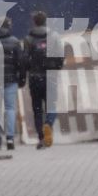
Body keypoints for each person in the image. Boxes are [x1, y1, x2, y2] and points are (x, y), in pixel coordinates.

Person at [0, 16, 25, 152]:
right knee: (10, 108)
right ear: (8, 26)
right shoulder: (15, 42)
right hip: (11, 80)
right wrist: (22, 79)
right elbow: (21, 62)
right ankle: (10, 138)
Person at [25, 9, 56, 149]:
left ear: (34, 22)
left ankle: (41, 138)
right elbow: (59, 57)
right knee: (52, 105)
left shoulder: (28, 39)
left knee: (37, 109)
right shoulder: (53, 37)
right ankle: (48, 123)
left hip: (34, 78)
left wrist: (27, 72)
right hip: (50, 77)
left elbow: (24, 59)